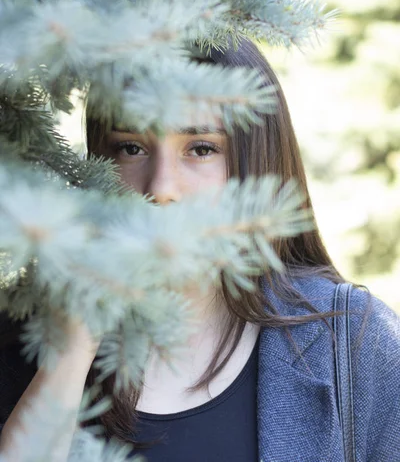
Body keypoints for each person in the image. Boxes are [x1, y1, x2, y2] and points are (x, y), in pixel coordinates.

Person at [0, 38, 399, 462]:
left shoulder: (353, 342)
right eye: (130, 148)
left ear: (258, 164)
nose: (161, 188)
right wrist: (69, 356)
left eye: (201, 149)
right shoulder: (22, 340)